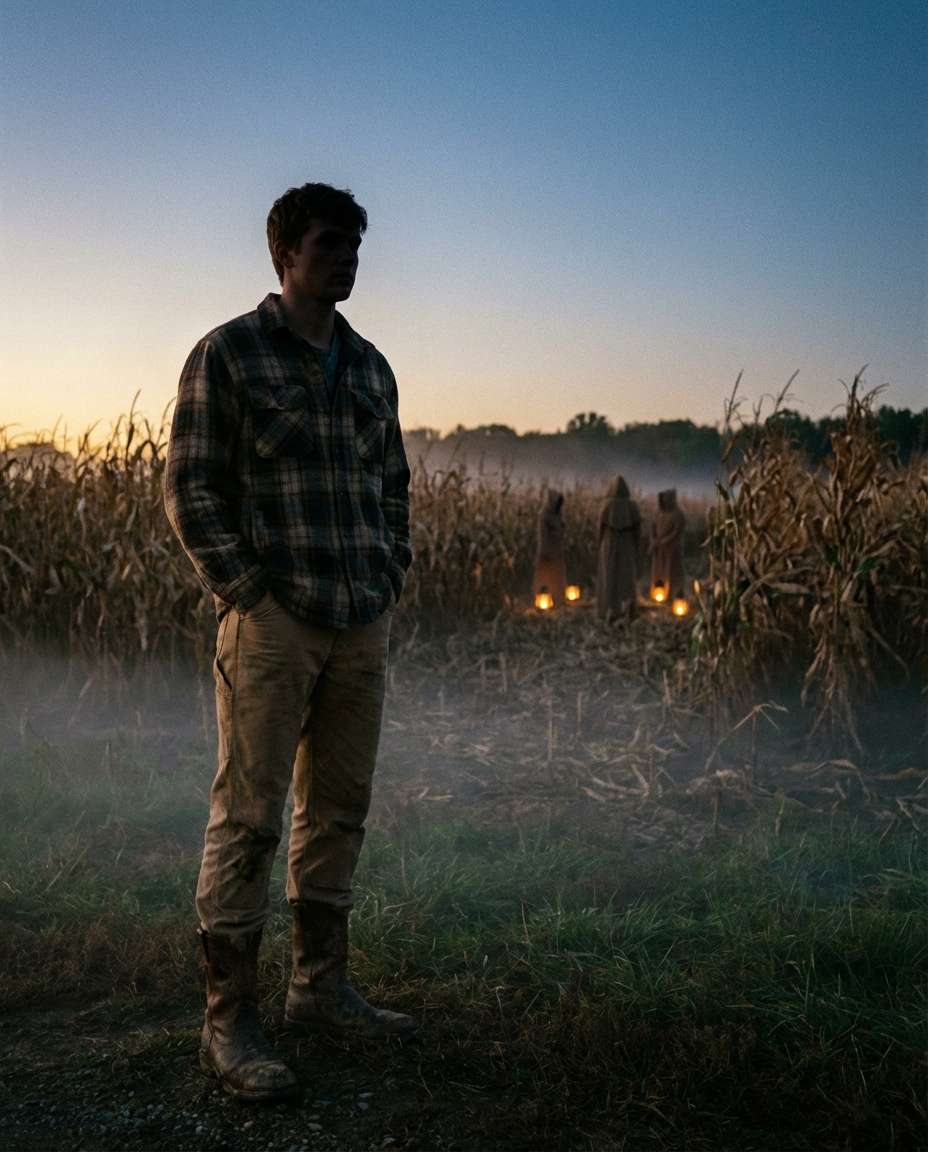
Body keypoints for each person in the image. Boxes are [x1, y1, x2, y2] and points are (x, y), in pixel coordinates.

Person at [164, 182, 415, 1104]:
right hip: (273, 624)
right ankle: (228, 1023)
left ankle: (320, 989)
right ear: (284, 255)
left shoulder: (372, 367)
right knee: (250, 816)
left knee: (339, 808)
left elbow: (393, 484)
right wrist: (249, 593)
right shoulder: (229, 354)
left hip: (360, 621)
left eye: (355, 244)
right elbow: (190, 486)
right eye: (329, 243)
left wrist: (388, 575)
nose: (346, 258)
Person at [596, 475, 641, 622]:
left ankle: (608, 608)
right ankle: (626, 608)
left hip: (609, 542)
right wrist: (636, 543)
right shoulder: (632, 505)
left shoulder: (607, 505)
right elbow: (637, 528)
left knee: (610, 574)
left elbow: (600, 527)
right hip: (626, 542)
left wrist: (600, 542)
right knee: (625, 575)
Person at [532, 489, 568, 606]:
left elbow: (561, 530)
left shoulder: (558, 514)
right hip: (547, 551)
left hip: (557, 551)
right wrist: (545, 552)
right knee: (545, 577)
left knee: (557, 577)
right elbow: (543, 535)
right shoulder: (544, 515)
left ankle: (558, 599)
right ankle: (543, 600)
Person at [650, 488, 686, 601]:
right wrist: (653, 540)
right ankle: (658, 593)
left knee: (671, 571)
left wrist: (664, 541)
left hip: (672, 549)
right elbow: (652, 527)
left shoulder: (678, 514)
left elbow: (677, 531)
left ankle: (672, 594)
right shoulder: (658, 512)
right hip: (659, 549)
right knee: (658, 571)